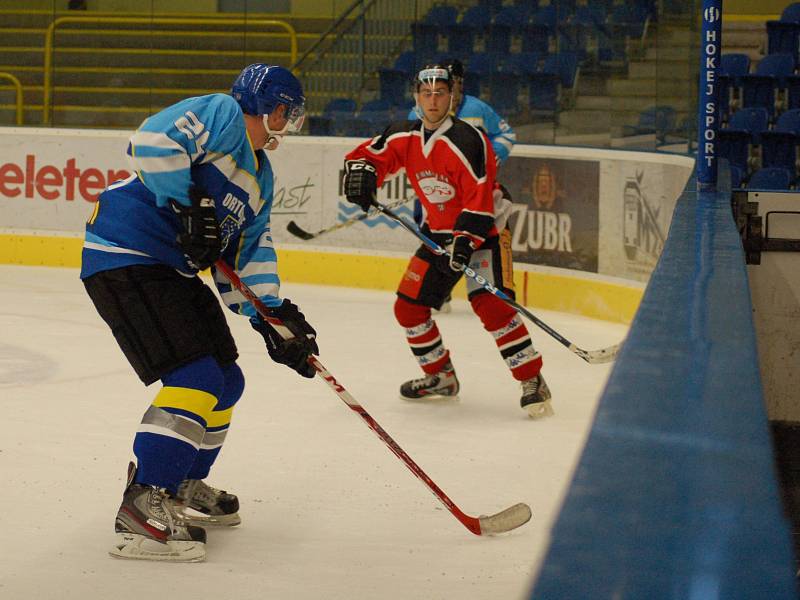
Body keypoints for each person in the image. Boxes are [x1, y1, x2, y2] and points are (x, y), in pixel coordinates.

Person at [80, 64, 319, 562]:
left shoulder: (260, 178)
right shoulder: (223, 113)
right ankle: (143, 503)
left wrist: (275, 320)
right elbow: (151, 141)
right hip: (126, 253)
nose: (288, 124)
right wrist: (188, 204)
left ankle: (181, 482)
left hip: (171, 270)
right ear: (272, 106)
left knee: (228, 380)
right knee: (196, 377)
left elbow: (247, 253)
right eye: (286, 113)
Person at [342, 64, 551, 418]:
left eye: (440, 93)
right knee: (408, 308)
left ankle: (532, 379)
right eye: (427, 93)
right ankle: (440, 376)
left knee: (492, 306)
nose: (433, 99)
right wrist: (362, 174)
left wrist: (466, 240)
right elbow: (367, 156)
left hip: (484, 232)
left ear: (452, 97)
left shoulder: (471, 140)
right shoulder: (404, 135)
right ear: (417, 97)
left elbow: (480, 198)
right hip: (439, 235)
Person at [408, 58, 517, 313]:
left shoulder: (478, 109)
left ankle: (490, 293)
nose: (450, 91)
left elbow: (507, 134)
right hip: (437, 192)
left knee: (475, 236)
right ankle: (439, 291)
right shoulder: (419, 112)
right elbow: (411, 146)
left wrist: (492, 158)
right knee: (436, 238)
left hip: (471, 193)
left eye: (453, 84)